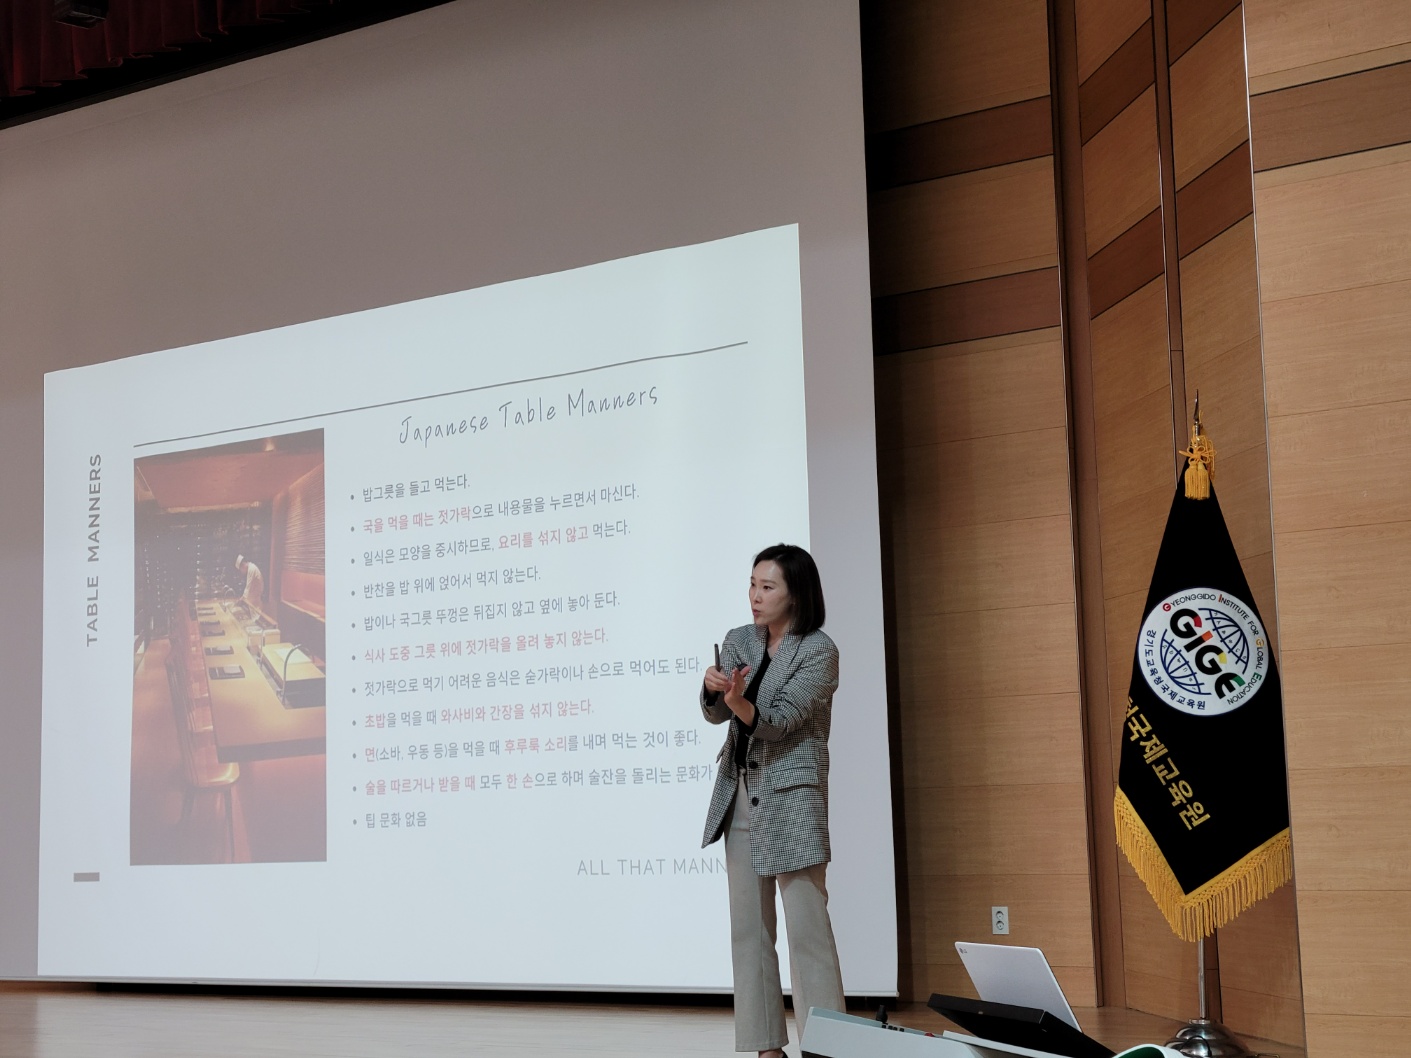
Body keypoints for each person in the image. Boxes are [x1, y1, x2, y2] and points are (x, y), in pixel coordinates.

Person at [700, 543, 845, 1058]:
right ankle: (765, 1046)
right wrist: (714, 691)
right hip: (739, 794)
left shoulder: (818, 651)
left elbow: (781, 721)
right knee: (749, 927)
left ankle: (827, 1044)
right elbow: (718, 717)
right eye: (752, 585)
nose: (755, 597)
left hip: (790, 795)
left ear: (796, 592)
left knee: (808, 927)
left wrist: (739, 700)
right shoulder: (740, 639)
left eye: (768, 587)